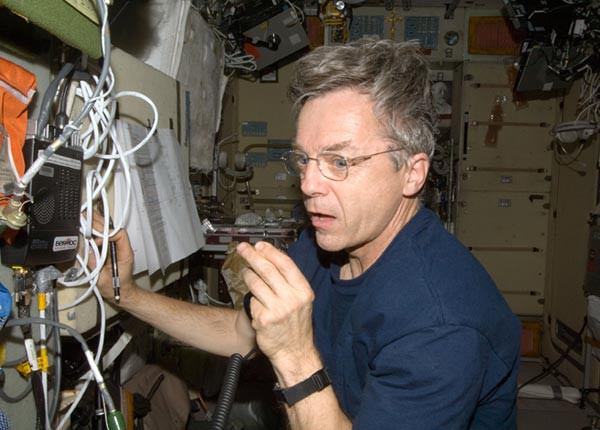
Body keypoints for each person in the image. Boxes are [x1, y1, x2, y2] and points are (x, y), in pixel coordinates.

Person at [94, 39, 521, 429]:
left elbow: (289, 353)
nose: (308, 184)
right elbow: (239, 334)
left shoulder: (441, 325)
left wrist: (294, 355)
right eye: (303, 159)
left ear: (412, 173)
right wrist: (125, 294)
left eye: (339, 162)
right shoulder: (327, 246)